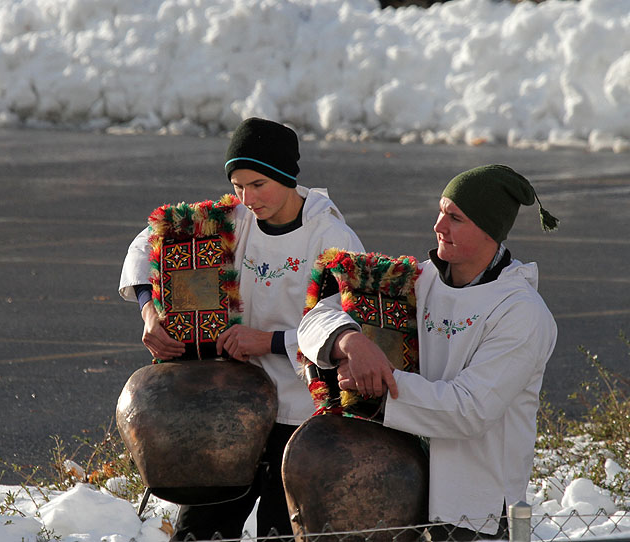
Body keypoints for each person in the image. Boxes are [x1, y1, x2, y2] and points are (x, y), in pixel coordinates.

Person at [118, 117, 364, 540]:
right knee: (199, 530)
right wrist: (149, 310)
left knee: (279, 532)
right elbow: (148, 241)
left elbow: (348, 325)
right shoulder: (232, 217)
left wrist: (268, 341)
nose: (247, 198)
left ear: (287, 177)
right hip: (229, 408)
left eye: (258, 184)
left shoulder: (331, 236)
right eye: (238, 185)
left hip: (298, 413)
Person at [297, 164, 558, 540]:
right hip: (399, 490)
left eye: (455, 218)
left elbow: (469, 409)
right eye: (440, 211)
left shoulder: (522, 312)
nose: (439, 225)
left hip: (473, 508)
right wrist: (349, 341)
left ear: (489, 231)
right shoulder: (420, 281)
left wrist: (381, 384)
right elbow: (314, 320)